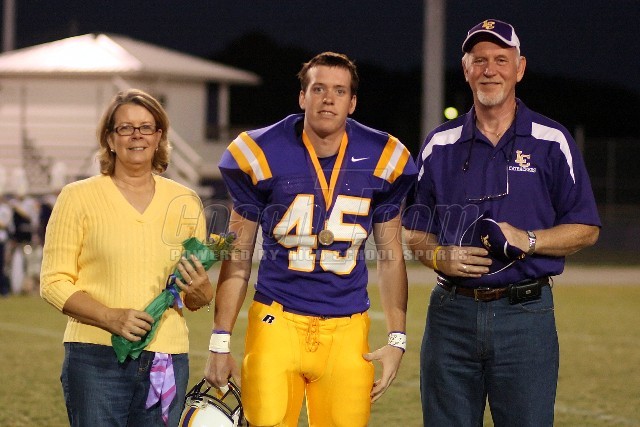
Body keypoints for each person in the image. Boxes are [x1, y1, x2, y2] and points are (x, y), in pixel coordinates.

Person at [402, 19, 601, 426]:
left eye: (500, 59)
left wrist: (529, 239)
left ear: (519, 68)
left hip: (524, 316)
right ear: (466, 69)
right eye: (479, 60)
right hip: (451, 316)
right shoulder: (440, 143)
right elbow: (414, 229)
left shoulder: (551, 140)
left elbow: (586, 227)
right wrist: (439, 255)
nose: (489, 70)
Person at [204, 52, 417, 426]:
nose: (328, 99)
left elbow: (391, 256)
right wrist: (219, 341)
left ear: (352, 102)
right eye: (318, 89)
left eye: (339, 91)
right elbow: (238, 255)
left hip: (348, 327)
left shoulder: (383, 155)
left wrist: (397, 340)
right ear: (302, 96)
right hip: (276, 321)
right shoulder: (261, 151)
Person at [40, 88, 213, 426]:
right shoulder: (77, 197)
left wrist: (201, 291)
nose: (137, 135)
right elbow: (53, 282)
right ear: (109, 138)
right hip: (96, 357)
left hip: (166, 356)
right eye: (125, 128)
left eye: (146, 127)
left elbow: (196, 298)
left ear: (159, 136)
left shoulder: (186, 201)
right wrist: (110, 317)